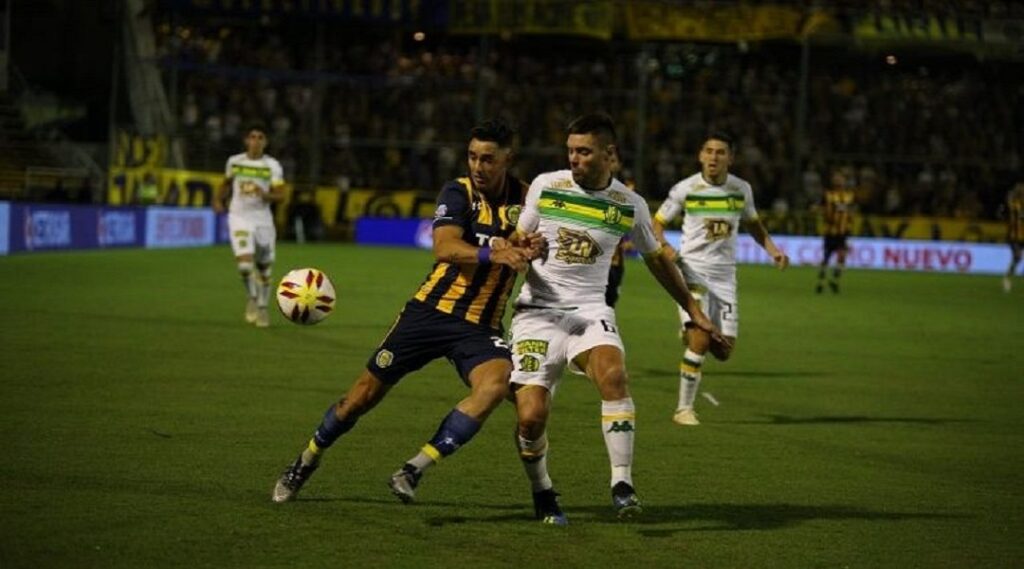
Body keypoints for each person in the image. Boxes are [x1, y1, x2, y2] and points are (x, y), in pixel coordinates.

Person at [271, 119, 543, 504]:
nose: (478, 166)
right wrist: (493, 253)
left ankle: (414, 468)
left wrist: (536, 249)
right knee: (360, 398)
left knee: (495, 386)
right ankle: (306, 459)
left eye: (487, 159)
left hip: (480, 326)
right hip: (428, 314)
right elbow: (444, 247)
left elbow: (540, 245)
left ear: (507, 159)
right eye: (472, 157)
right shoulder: (458, 192)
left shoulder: (530, 200)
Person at [507, 113, 719, 525]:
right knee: (530, 418)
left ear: (609, 154)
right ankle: (542, 490)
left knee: (614, 376)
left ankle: (622, 483)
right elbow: (516, 239)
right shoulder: (546, 186)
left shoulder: (629, 204)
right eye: (571, 151)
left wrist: (694, 311)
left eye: (584, 152)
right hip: (536, 312)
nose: (574, 159)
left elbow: (657, 261)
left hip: (590, 310)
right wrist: (522, 246)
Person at [652, 131, 789, 427]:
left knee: (724, 350)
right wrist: (665, 247)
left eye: (720, 152)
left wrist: (773, 250)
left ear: (731, 158)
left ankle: (688, 329)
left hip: (725, 277)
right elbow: (657, 224)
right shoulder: (685, 188)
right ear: (700, 156)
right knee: (701, 339)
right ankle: (683, 409)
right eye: (709, 151)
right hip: (691, 272)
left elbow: (754, 225)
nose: (714, 157)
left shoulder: (741, 190)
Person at [213, 125, 286, 328]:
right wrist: (218, 200)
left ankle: (263, 307)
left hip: (262, 219)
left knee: (264, 267)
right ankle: (253, 299)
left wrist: (265, 195)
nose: (256, 140)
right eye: (252, 137)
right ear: (246, 140)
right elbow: (226, 183)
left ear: (265, 142)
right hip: (239, 216)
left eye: (260, 137)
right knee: (245, 265)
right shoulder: (235, 162)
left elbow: (281, 195)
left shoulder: (272, 166)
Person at [816, 169, 856, 294]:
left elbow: (851, 211)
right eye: (836, 178)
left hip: (842, 232)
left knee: (842, 256)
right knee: (826, 257)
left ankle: (834, 280)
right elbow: (821, 208)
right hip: (830, 231)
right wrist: (821, 212)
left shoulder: (850, 196)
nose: (838, 180)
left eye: (841, 178)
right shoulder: (828, 195)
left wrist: (849, 224)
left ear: (844, 181)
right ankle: (821, 282)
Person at [1002, 182, 1024, 292]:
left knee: (1017, 258)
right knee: (1018, 257)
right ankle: (1007, 278)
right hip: (1014, 237)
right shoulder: (1015, 205)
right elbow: (1009, 203)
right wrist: (1011, 194)